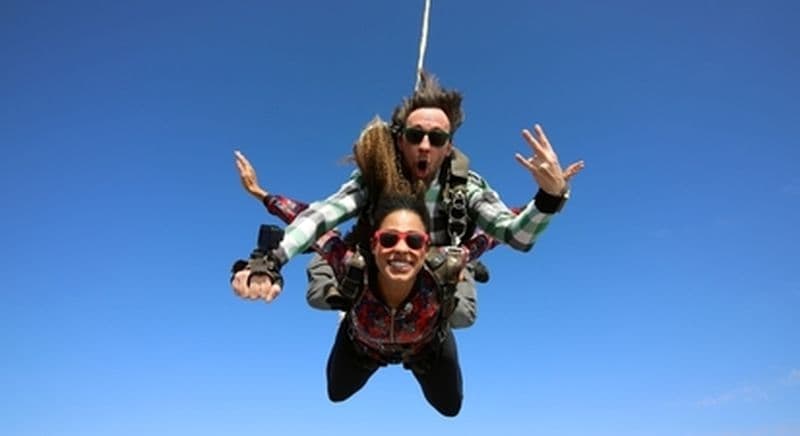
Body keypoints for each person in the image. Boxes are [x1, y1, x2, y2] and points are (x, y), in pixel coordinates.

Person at [232, 72, 582, 310]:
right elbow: (321, 214)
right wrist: (272, 259)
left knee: (462, 308)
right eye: (415, 136)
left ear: (448, 147)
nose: (425, 146)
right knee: (323, 293)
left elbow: (512, 234)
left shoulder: (465, 187)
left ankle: (443, 309)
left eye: (438, 138)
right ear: (400, 140)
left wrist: (550, 197)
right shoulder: (376, 180)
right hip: (378, 274)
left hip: (434, 277)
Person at [236, 192, 469, 416]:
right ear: (374, 244)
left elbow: (493, 233)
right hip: (364, 346)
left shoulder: (441, 269)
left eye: (414, 241)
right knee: (337, 392)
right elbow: (307, 220)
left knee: (450, 406)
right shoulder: (353, 266)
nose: (400, 249)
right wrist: (262, 195)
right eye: (388, 240)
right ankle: (323, 263)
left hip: (425, 348)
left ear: (426, 247)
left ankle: (465, 273)